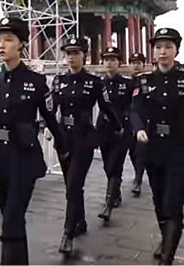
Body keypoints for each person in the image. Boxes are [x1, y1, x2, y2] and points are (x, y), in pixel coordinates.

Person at [0, 17, 69, 265]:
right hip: (0, 159)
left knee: (12, 219)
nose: (2, 45)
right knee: (11, 216)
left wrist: (63, 149)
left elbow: (50, 118)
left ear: (21, 44)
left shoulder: (36, 82)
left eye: (8, 39)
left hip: (25, 157)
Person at [131, 27, 184, 265]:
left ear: (176, 50)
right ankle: (167, 238)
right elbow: (134, 109)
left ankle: (167, 257)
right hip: (152, 148)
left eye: (168, 47)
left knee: (173, 203)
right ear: (153, 51)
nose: (163, 52)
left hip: (179, 149)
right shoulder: (143, 81)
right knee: (159, 202)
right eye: (158, 47)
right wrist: (139, 129)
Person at [53, 38, 122, 254]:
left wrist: (119, 126)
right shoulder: (58, 80)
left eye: (76, 53)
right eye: (68, 53)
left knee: (74, 185)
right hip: (63, 138)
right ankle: (80, 221)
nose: (71, 57)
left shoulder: (94, 82)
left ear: (84, 55)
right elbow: (50, 107)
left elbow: (106, 106)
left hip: (84, 139)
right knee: (71, 186)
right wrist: (45, 126)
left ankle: (67, 233)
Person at [96, 47, 132, 222]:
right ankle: (115, 193)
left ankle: (108, 204)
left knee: (115, 164)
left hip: (121, 129)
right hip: (104, 129)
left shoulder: (127, 84)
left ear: (119, 62)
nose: (109, 63)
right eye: (106, 59)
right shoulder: (98, 83)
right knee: (107, 165)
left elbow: (133, 108)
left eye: (113, 59)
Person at [128, 53, 147, 197]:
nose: (135, 65)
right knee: (132, 152)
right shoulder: (128, 82)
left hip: (142, 122)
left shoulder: (146, 81)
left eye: (138, 62)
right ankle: (137, 173)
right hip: (128, 121)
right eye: (133, 62)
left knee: (140, 152)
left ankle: (138, 180)